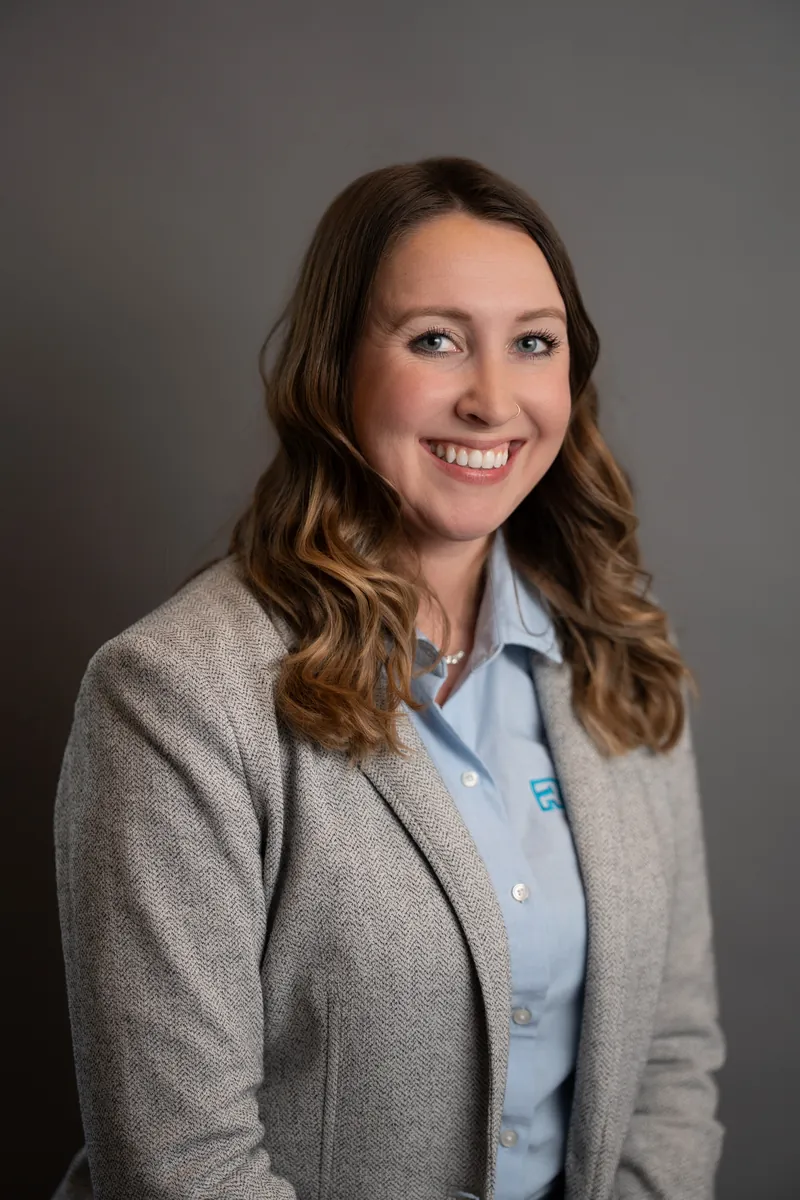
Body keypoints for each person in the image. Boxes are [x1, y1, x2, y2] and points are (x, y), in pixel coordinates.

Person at [52, 156, 725, 1200]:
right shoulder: (173, 696)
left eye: (532, 344)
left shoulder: (620, 665)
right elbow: (182, 1167)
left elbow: (671, 1067)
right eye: (434, 340)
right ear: (333, 369)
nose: (491, 399)